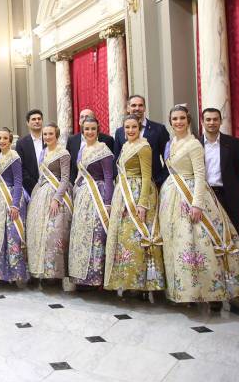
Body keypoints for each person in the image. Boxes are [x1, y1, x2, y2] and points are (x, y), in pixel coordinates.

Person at [159, 106, 239, 304]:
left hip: (193, 198)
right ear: (170, 122)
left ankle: (214, 292)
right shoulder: (171, 143)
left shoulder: (194, 144)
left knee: (205, 246)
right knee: (181, 245)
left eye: (182, 118)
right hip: (172, 199)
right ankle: (186, 289)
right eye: (175, 119)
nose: (178, 122)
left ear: (189, 121)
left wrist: (196, 204)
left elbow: (200, 175)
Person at [104, 115, 165, 300]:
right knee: (125, 240)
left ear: (139, 128)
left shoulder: (144, 146)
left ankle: (142, 283)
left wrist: (142, 203)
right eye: (127, 128)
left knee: (138, 239)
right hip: (123, 194)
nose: (130, 131)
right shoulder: (126, 146)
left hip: (138, 194)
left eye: (134, 127)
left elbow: (147, 176)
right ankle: (127, 280)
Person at [68, 117, 114, 288]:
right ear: (82, 130)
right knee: (81, 234)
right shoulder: (82, 149)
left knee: (97, 235)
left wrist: (108, 202)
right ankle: (82, 278)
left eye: (93, 129)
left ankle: (97, 279)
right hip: (82, 197)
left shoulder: (103, 150)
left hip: (98, 195)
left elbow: (109, 177)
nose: (89, 132)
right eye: (86, 129)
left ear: (98, 130)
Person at [26, 122, 72, 285]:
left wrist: (56, 199)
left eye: (50, 134)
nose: (47, 137)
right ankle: (43, 272)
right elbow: (41, 176)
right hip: (41, 194)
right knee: (40, 234)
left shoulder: (63, 153)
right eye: (45, 134)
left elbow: (65, 178)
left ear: (56, 135)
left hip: (57, 196)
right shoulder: (44, 152)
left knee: (54, 235)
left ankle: (55, 274)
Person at [0, 127, 29, 284]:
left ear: (10, 140)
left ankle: (14, 275)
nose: (2, 141)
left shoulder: (14, 157)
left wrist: (15, 204)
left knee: (12, 237)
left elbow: (18, 181)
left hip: (11, 199)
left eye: (5, 138)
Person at [200, 108, 239, 232]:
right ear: (202, 122)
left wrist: (232, 186)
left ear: (221, 121)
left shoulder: (233, 143)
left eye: (215, 119)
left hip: (228, 196)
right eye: (208, 119)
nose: (212, 122)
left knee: (232, 233)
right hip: (205, 195)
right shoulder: (195, 144)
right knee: (209, 233)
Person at [113, 95, 170, 187]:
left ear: (144, 108)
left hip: (153, 184)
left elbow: (168, 158)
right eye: (133, 105)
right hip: (127, 187)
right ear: (128, 108)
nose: (137, 108)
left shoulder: (159, 129)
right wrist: (118, 180)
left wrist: (160, 180)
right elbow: (116, 159)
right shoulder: (120, 132)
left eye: (140, 105)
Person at [66, 109, 114, 183]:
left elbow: (109, 169)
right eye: (82, 117)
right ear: (79, 121)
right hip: (77, 187)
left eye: (87, 117)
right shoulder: (71, 140)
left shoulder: (107, 140)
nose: (84, 119)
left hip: (98, 188)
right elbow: (70, 167)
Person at [15, 109, 45, 195]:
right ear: (27, 123)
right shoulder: (21, 143)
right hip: (30, 188)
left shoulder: (49, 140)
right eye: (34, 119)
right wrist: (33, 186)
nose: (37, 121)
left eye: (39, 119)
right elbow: (21, 168)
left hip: (49, 186)